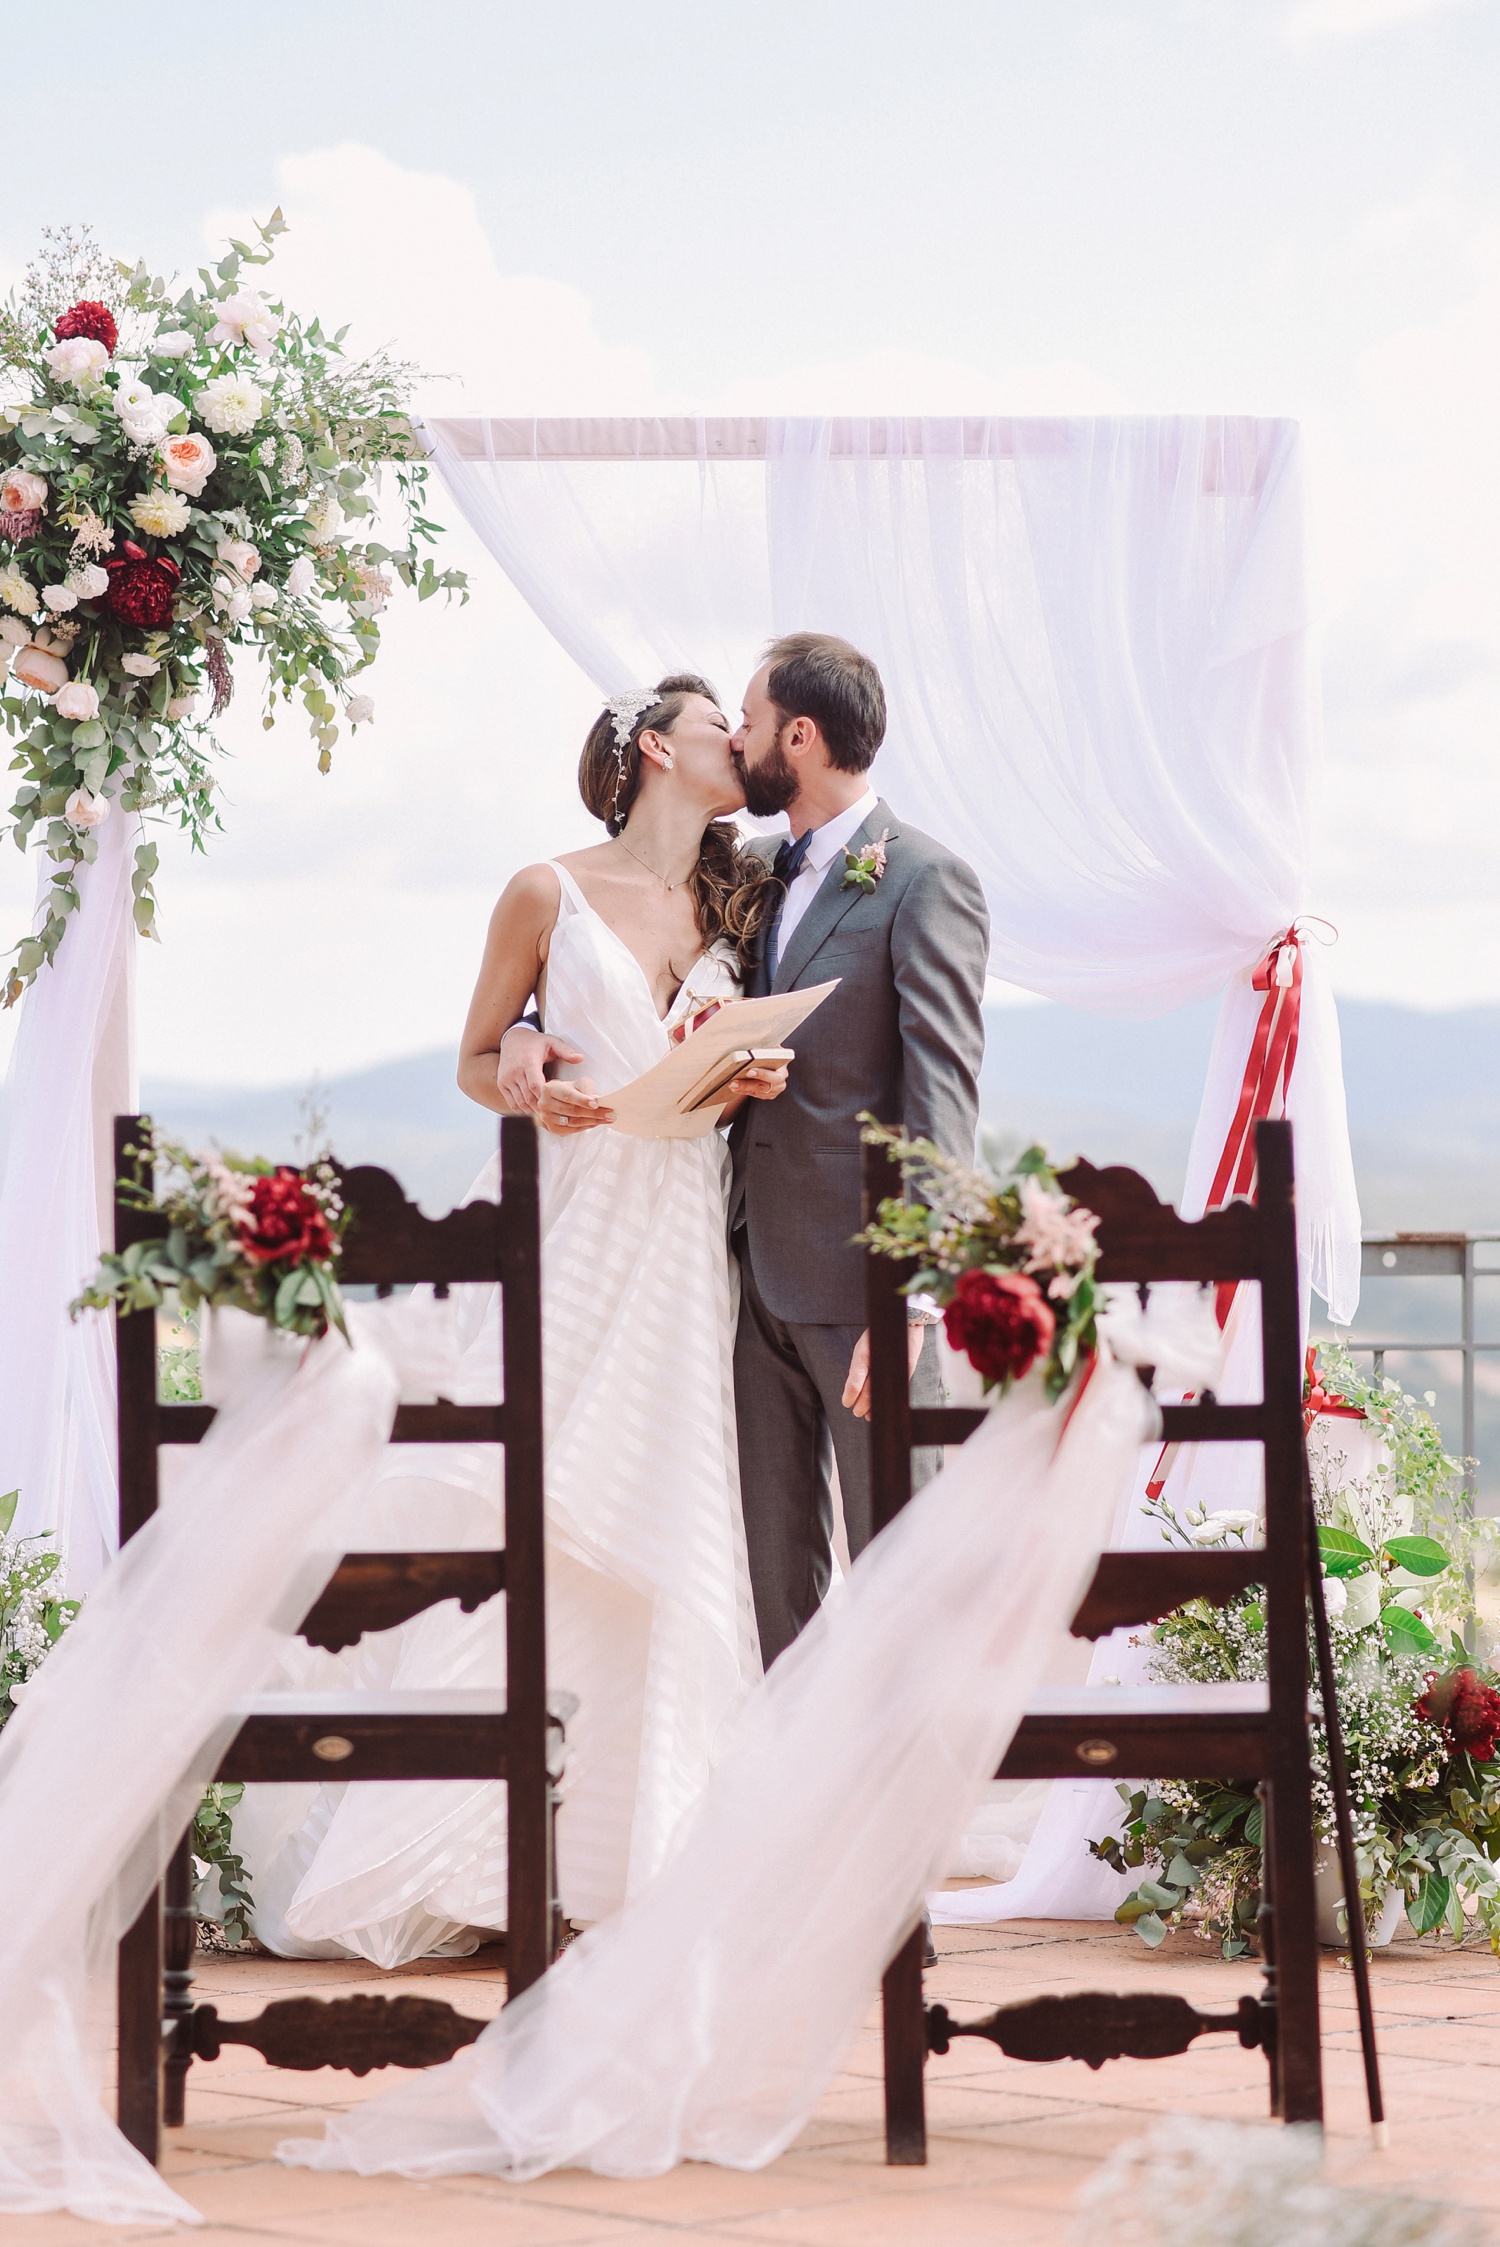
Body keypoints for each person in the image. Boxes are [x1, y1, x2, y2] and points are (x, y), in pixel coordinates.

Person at [235, 675, 792, 1958]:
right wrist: (528, 1075)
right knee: (539, 1512)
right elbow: (478, 1058)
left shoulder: (739, 892)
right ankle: (473, 1864)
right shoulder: (545, 890)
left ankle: (642, 1867)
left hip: (689, 1243)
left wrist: (753, 1069)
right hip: (578, 1233)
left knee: (669, 1518)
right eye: (721, 726)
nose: (741, 744)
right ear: (658, 746)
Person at [727, 633, 991, 1664]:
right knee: (775, 1583)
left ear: (800, 734)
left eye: (750, 723)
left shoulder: (926, 880)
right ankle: (802, 1803)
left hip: (864, 1288)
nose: (740, 742)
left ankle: (905, 1808)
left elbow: (943, 1097)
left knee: (899, 1570)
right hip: (749, 1271)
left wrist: (913, 1295)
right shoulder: (749, 871)